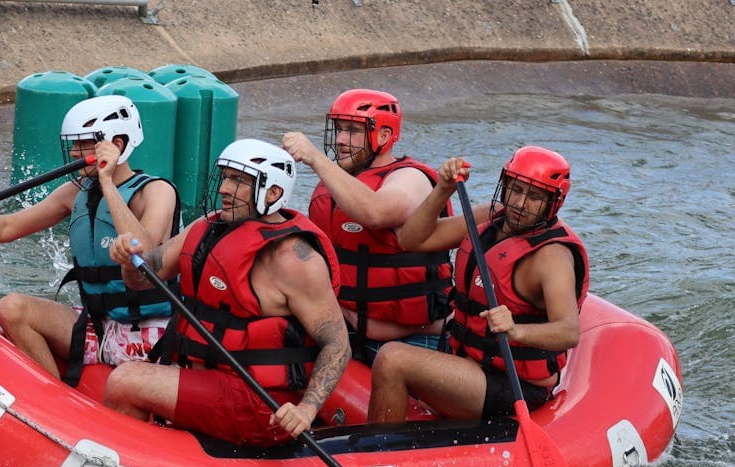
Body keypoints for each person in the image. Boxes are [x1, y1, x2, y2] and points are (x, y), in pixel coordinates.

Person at [0, 95, 180, 383]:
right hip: (98, 326)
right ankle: (54, 398)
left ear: (117, 145)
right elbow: (8, 226)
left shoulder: (157, 191)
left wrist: (107, 183)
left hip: (149, 334)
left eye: (84, 143)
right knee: (12, 308)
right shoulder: (75, 193)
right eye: (73, 144)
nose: (75, 152)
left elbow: (146, 251)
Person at [105, 139, 350, 446]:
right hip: (208, 379)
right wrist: (128, 257)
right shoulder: (208, 227)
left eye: (238, 181)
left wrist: (307, 409)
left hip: (259, 405)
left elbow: (338, 343)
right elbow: (145, 275)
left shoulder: (295, 259)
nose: (223, 188)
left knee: (125, 382)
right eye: (225, 177)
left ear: (272, 193)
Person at [368, 146, 590, 423]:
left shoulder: (551, 257)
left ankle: (380, 457)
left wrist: (516, 330)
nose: (520, 204)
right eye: (517, 190)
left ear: (553, 203)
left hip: (514, 385)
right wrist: (443, 189)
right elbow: (412, 240)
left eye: (534, 197)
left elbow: (569, 331)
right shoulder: (492, 217)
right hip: (469, 363)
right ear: (505, 185)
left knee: (392, 359)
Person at [282, 88, 454, 364]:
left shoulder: (410, 177)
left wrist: (315, 157)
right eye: (338, 129)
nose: (340, 140)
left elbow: (376, 212)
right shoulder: (336, 185)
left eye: (352, 131)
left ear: (384, 136)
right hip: (346, 335)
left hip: (413, 343)